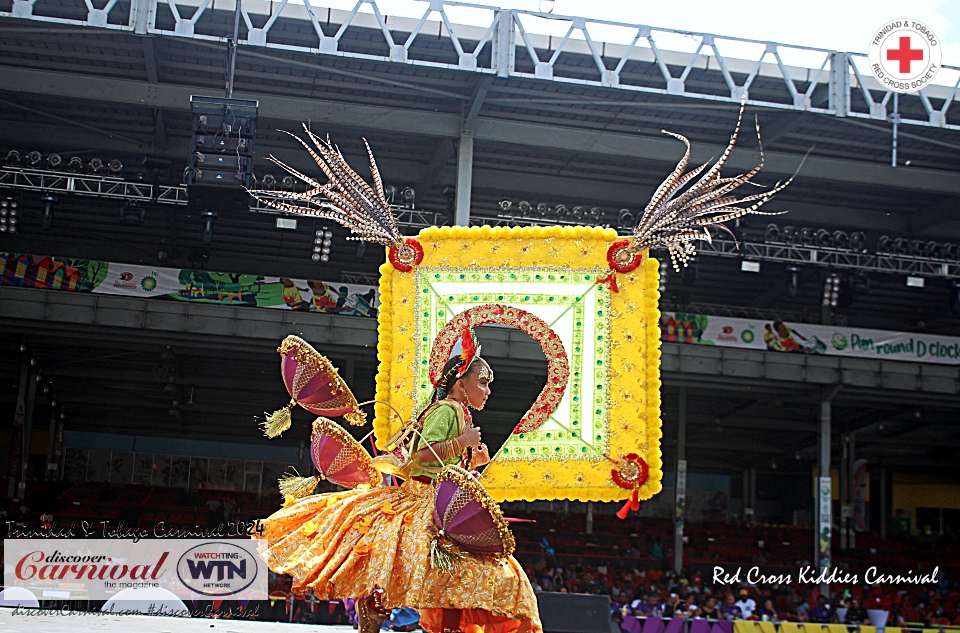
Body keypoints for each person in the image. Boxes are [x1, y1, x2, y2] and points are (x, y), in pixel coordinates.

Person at [257, 329, 541, 633]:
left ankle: (382, 612)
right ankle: (383, 611)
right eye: (482, 383)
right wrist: (462, 442)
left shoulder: (459, 412)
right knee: (449, 571)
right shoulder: (446, 409)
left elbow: (444, 467)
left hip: (438, 505)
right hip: (421, 504)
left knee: (457, 573)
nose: (487, 391)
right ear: (461, 383)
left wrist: (474, 461)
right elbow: (422, 456)